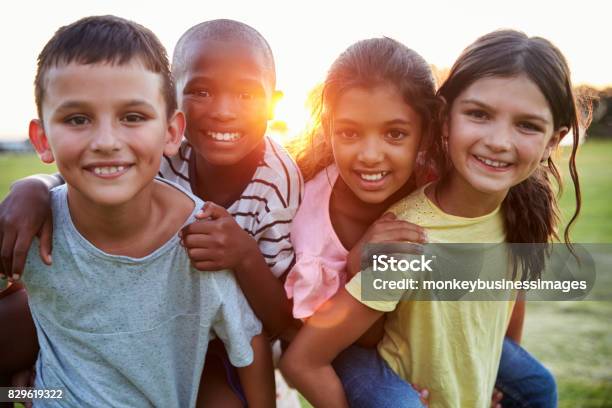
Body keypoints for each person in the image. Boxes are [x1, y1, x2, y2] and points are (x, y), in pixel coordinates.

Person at [0, 18, 302, 407]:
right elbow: (90, 174)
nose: (224, 111)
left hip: (211, 340)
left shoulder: (277, 184)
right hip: (99, 336)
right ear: (175, 104)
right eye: (201, 90)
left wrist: (243, 255)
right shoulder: (150, 155)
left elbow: (275, 325)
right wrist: (35, 186)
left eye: (245, 94)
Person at [280, 29, 583, 407]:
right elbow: (306, 358)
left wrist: (492, 375)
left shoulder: (519, 208)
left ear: (554, 141)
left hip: (459, 360)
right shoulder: (408, 238)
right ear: (444, 120)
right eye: (479, 114)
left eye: (526, 125)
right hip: (375, 354)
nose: (499, 142)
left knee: (538, 387)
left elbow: (506, 299)